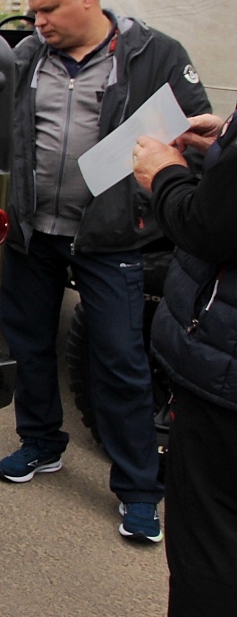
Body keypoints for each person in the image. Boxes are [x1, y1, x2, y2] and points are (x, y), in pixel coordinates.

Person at [0, 0, 211, 544]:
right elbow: (0, 138)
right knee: (29, 345)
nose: (39, 22)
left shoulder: (154, 55)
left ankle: (140, 490)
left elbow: (195, 136)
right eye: (33, 12)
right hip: (33, 232)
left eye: (49, 9)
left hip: (109, 237)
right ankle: (40, 443)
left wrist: (145, 200)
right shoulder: (25, 59)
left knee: (119, 361)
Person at [133, 112, 237, 614]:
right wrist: (225, 144)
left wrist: (166, 175)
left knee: (208, 553)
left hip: (225, 379)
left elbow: (210, 226)